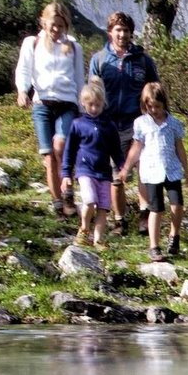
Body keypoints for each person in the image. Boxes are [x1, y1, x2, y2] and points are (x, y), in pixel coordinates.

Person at [13, 2, 86, 217]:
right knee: (48, 157)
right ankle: (57, 202)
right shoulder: (32, 43)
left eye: (61, 26)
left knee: (61, 146)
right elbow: (24, 68)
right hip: (42, 103)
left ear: (66, 26)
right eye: (53, 25)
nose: (56, 30)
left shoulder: (73, 46)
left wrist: (83, 108)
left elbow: (79, 78)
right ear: (43, 22)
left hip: (67, 103)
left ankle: (68, 192)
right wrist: (22, 91)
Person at [89, 11, 159, 236]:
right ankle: (119, 221)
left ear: (131, 33)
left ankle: (143, 216)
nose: (123, 34)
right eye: (118, 30)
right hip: (109, 125)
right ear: (110, 32)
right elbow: (92, 93)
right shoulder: (99, 60)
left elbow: (154, 90)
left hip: (138, 123)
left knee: (143, 172)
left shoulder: (143, 60)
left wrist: (156, 118)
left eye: (126, 31)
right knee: (116, 175)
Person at [119, 82, 188, 262]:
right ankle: (154, 246)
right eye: (150, 106)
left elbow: (179, 147)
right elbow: (136, 147)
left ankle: (174, 235)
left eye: (157, 106)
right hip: (151, 171)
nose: (154, 110)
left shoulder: (173, 123)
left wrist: (186, 170)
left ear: (164, 103)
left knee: (177, 203)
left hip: (172, 169)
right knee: (156, 208)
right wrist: (126, 167)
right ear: (145, 105)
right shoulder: (141, 123)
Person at [60, 80, 126, 249]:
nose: (94, 108)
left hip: (104, 173)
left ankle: (98, 240)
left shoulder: (109, 126)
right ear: (83, 103)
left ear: (103, 104)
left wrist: (122, 167)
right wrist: (66, 174)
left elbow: (116, 151)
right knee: (89, 201)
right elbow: (69, 151)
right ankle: (84, 229)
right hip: (85, 171)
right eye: (90, 105)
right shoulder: (78, 124)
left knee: (103, 207)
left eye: (98, 105)